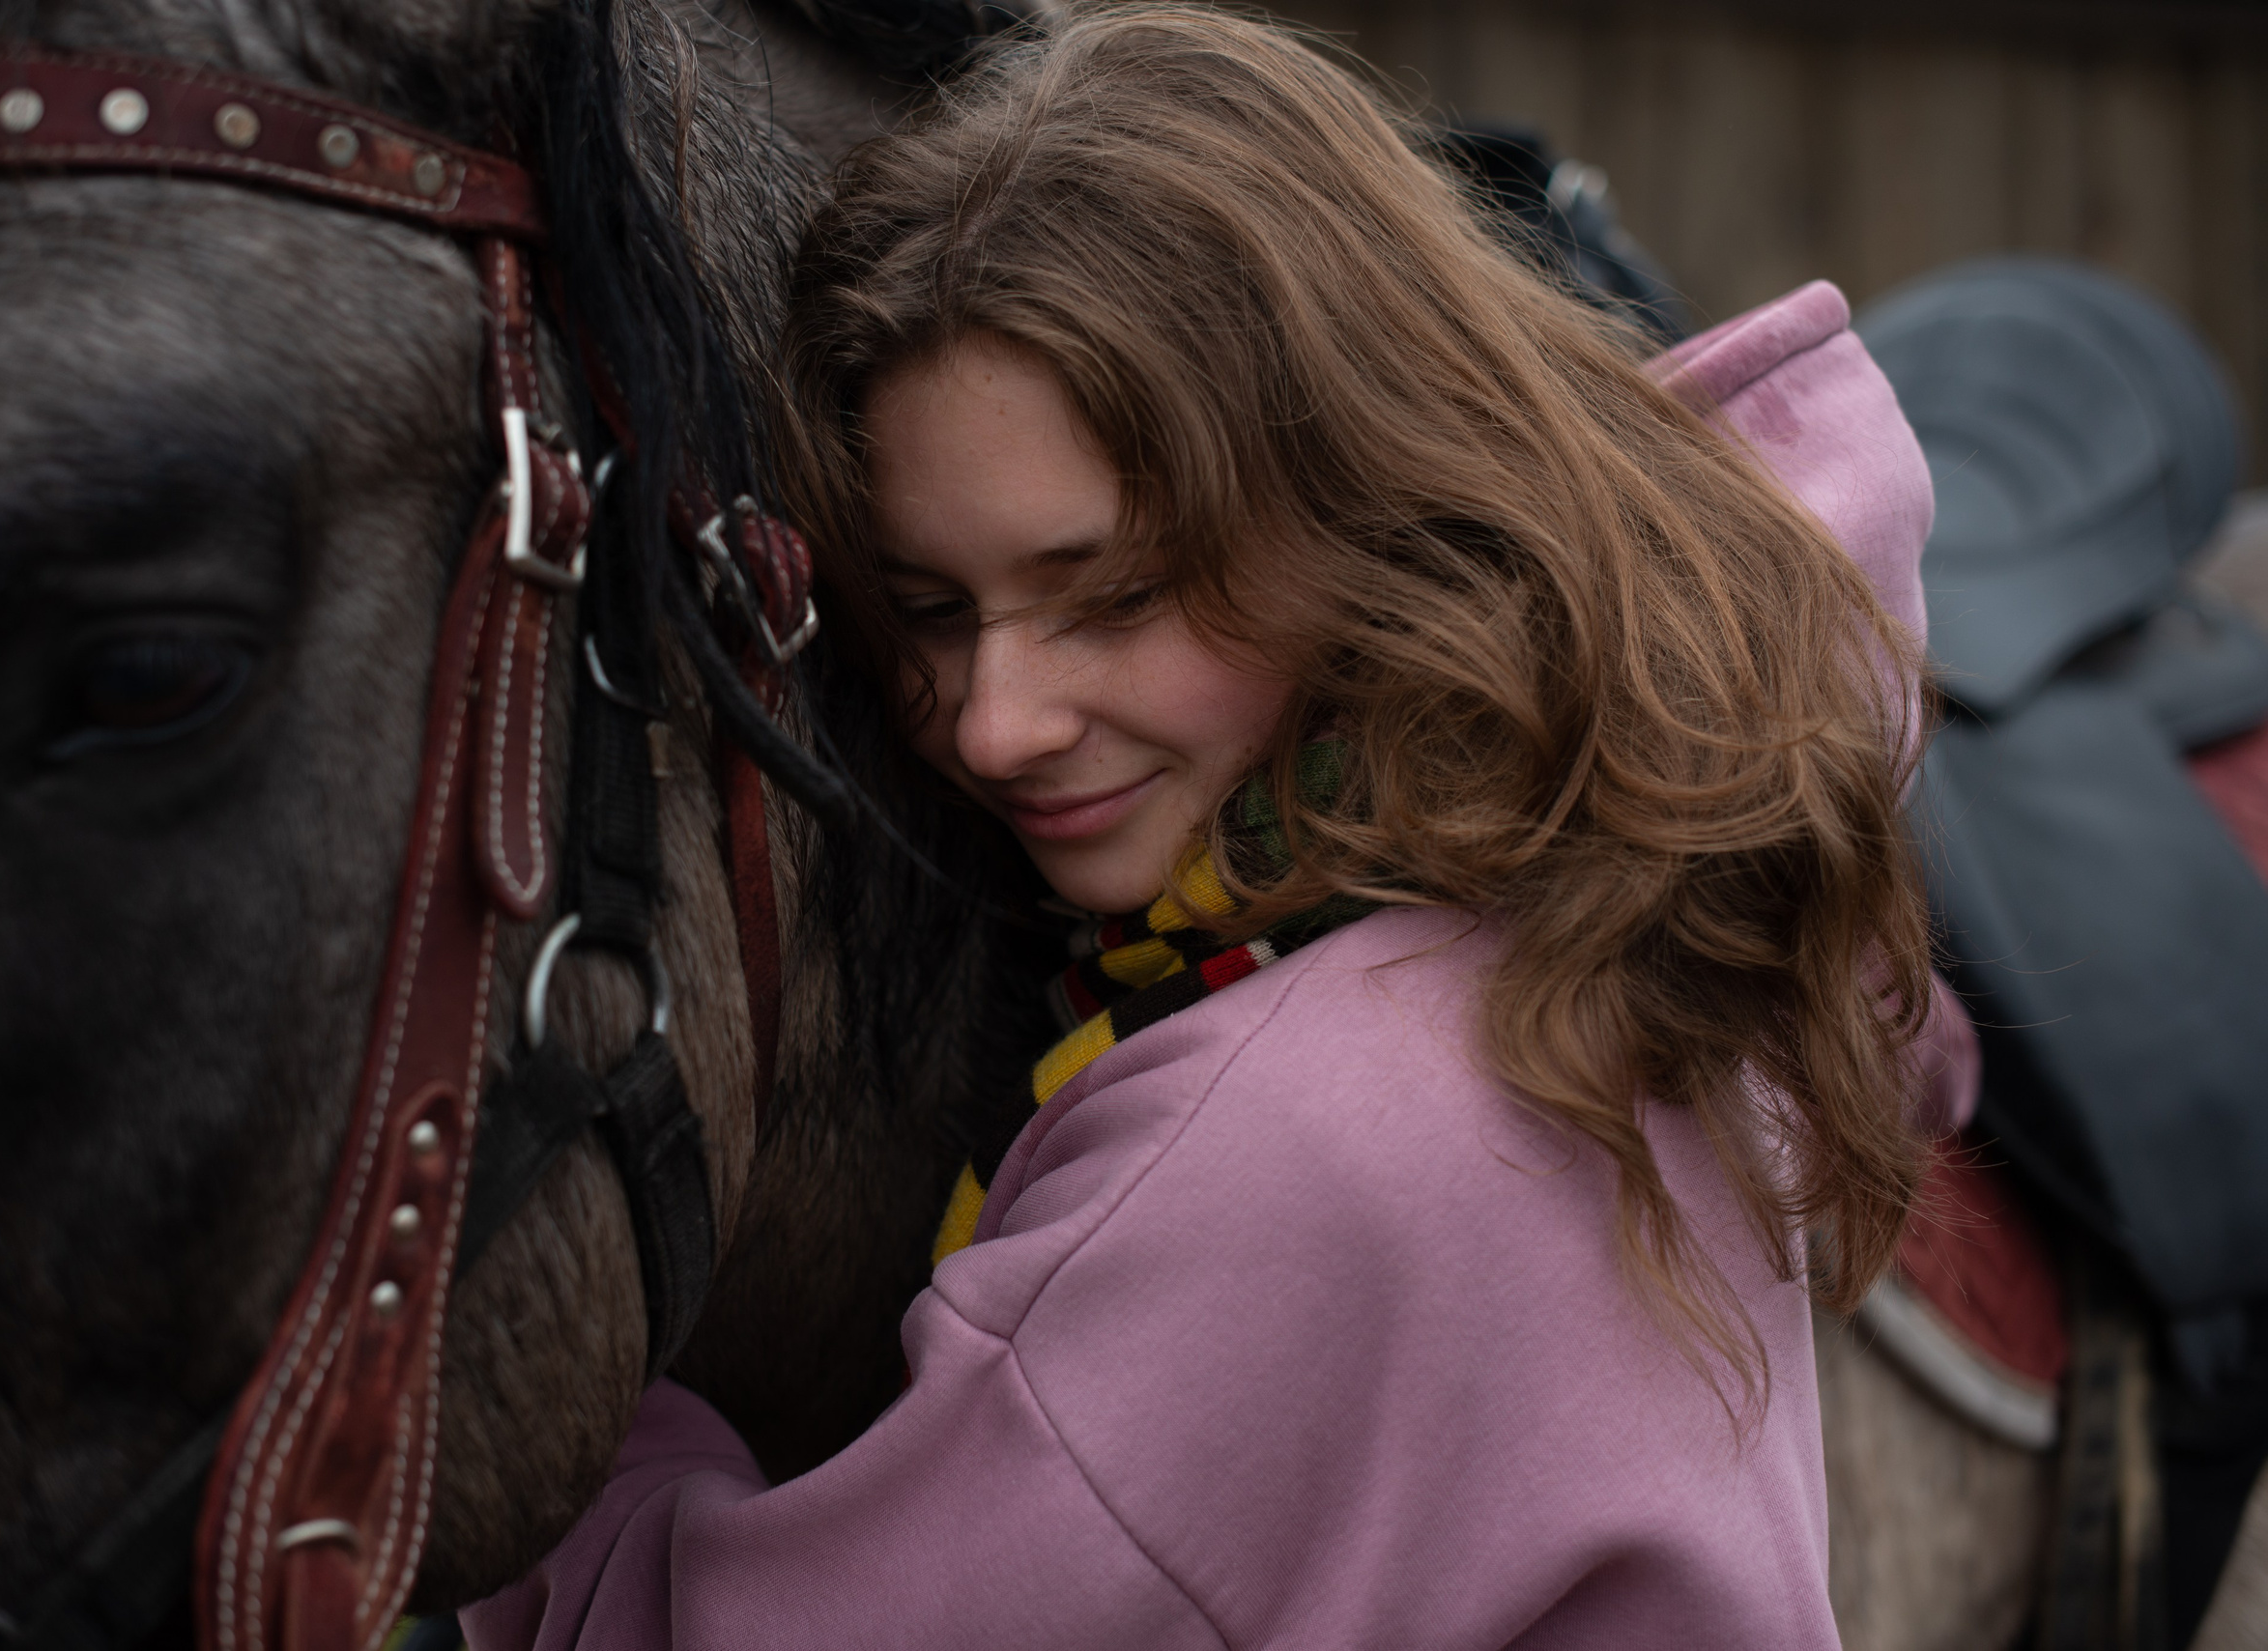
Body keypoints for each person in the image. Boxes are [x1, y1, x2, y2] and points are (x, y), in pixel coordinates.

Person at [467, 8, 1942, 1645]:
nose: (995, 721)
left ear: (1362, 507)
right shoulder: (1624, 872)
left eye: (1114, 595)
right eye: (933, 610)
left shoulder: (1292, 1142)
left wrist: (584, 1407)